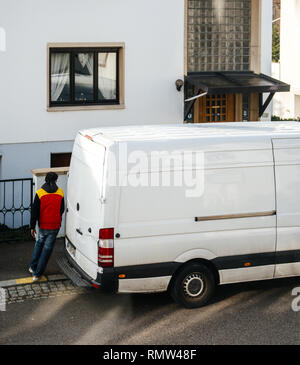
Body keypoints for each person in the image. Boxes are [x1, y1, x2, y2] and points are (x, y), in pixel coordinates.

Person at [29, 172, 65, 282]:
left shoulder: (39, 193)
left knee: (39, 244)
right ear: (56, 180)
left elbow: (34, 211)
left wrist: (32, 226)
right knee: (46, 250)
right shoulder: (60, 192)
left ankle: (33, 267)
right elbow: (61, 209)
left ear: (45, 179)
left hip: (43, 225)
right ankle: (37, 274)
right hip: (55, 225)